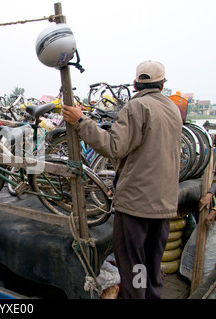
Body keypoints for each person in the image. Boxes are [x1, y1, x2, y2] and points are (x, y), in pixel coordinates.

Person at [62, 60, 183, 299]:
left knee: (134, 266)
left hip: (137, 206)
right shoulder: (172, 109)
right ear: (162, 84)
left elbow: (113, 146)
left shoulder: (136, 107)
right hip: (165, 204)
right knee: (150, 264)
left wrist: (81, 121)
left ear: (136, 83)